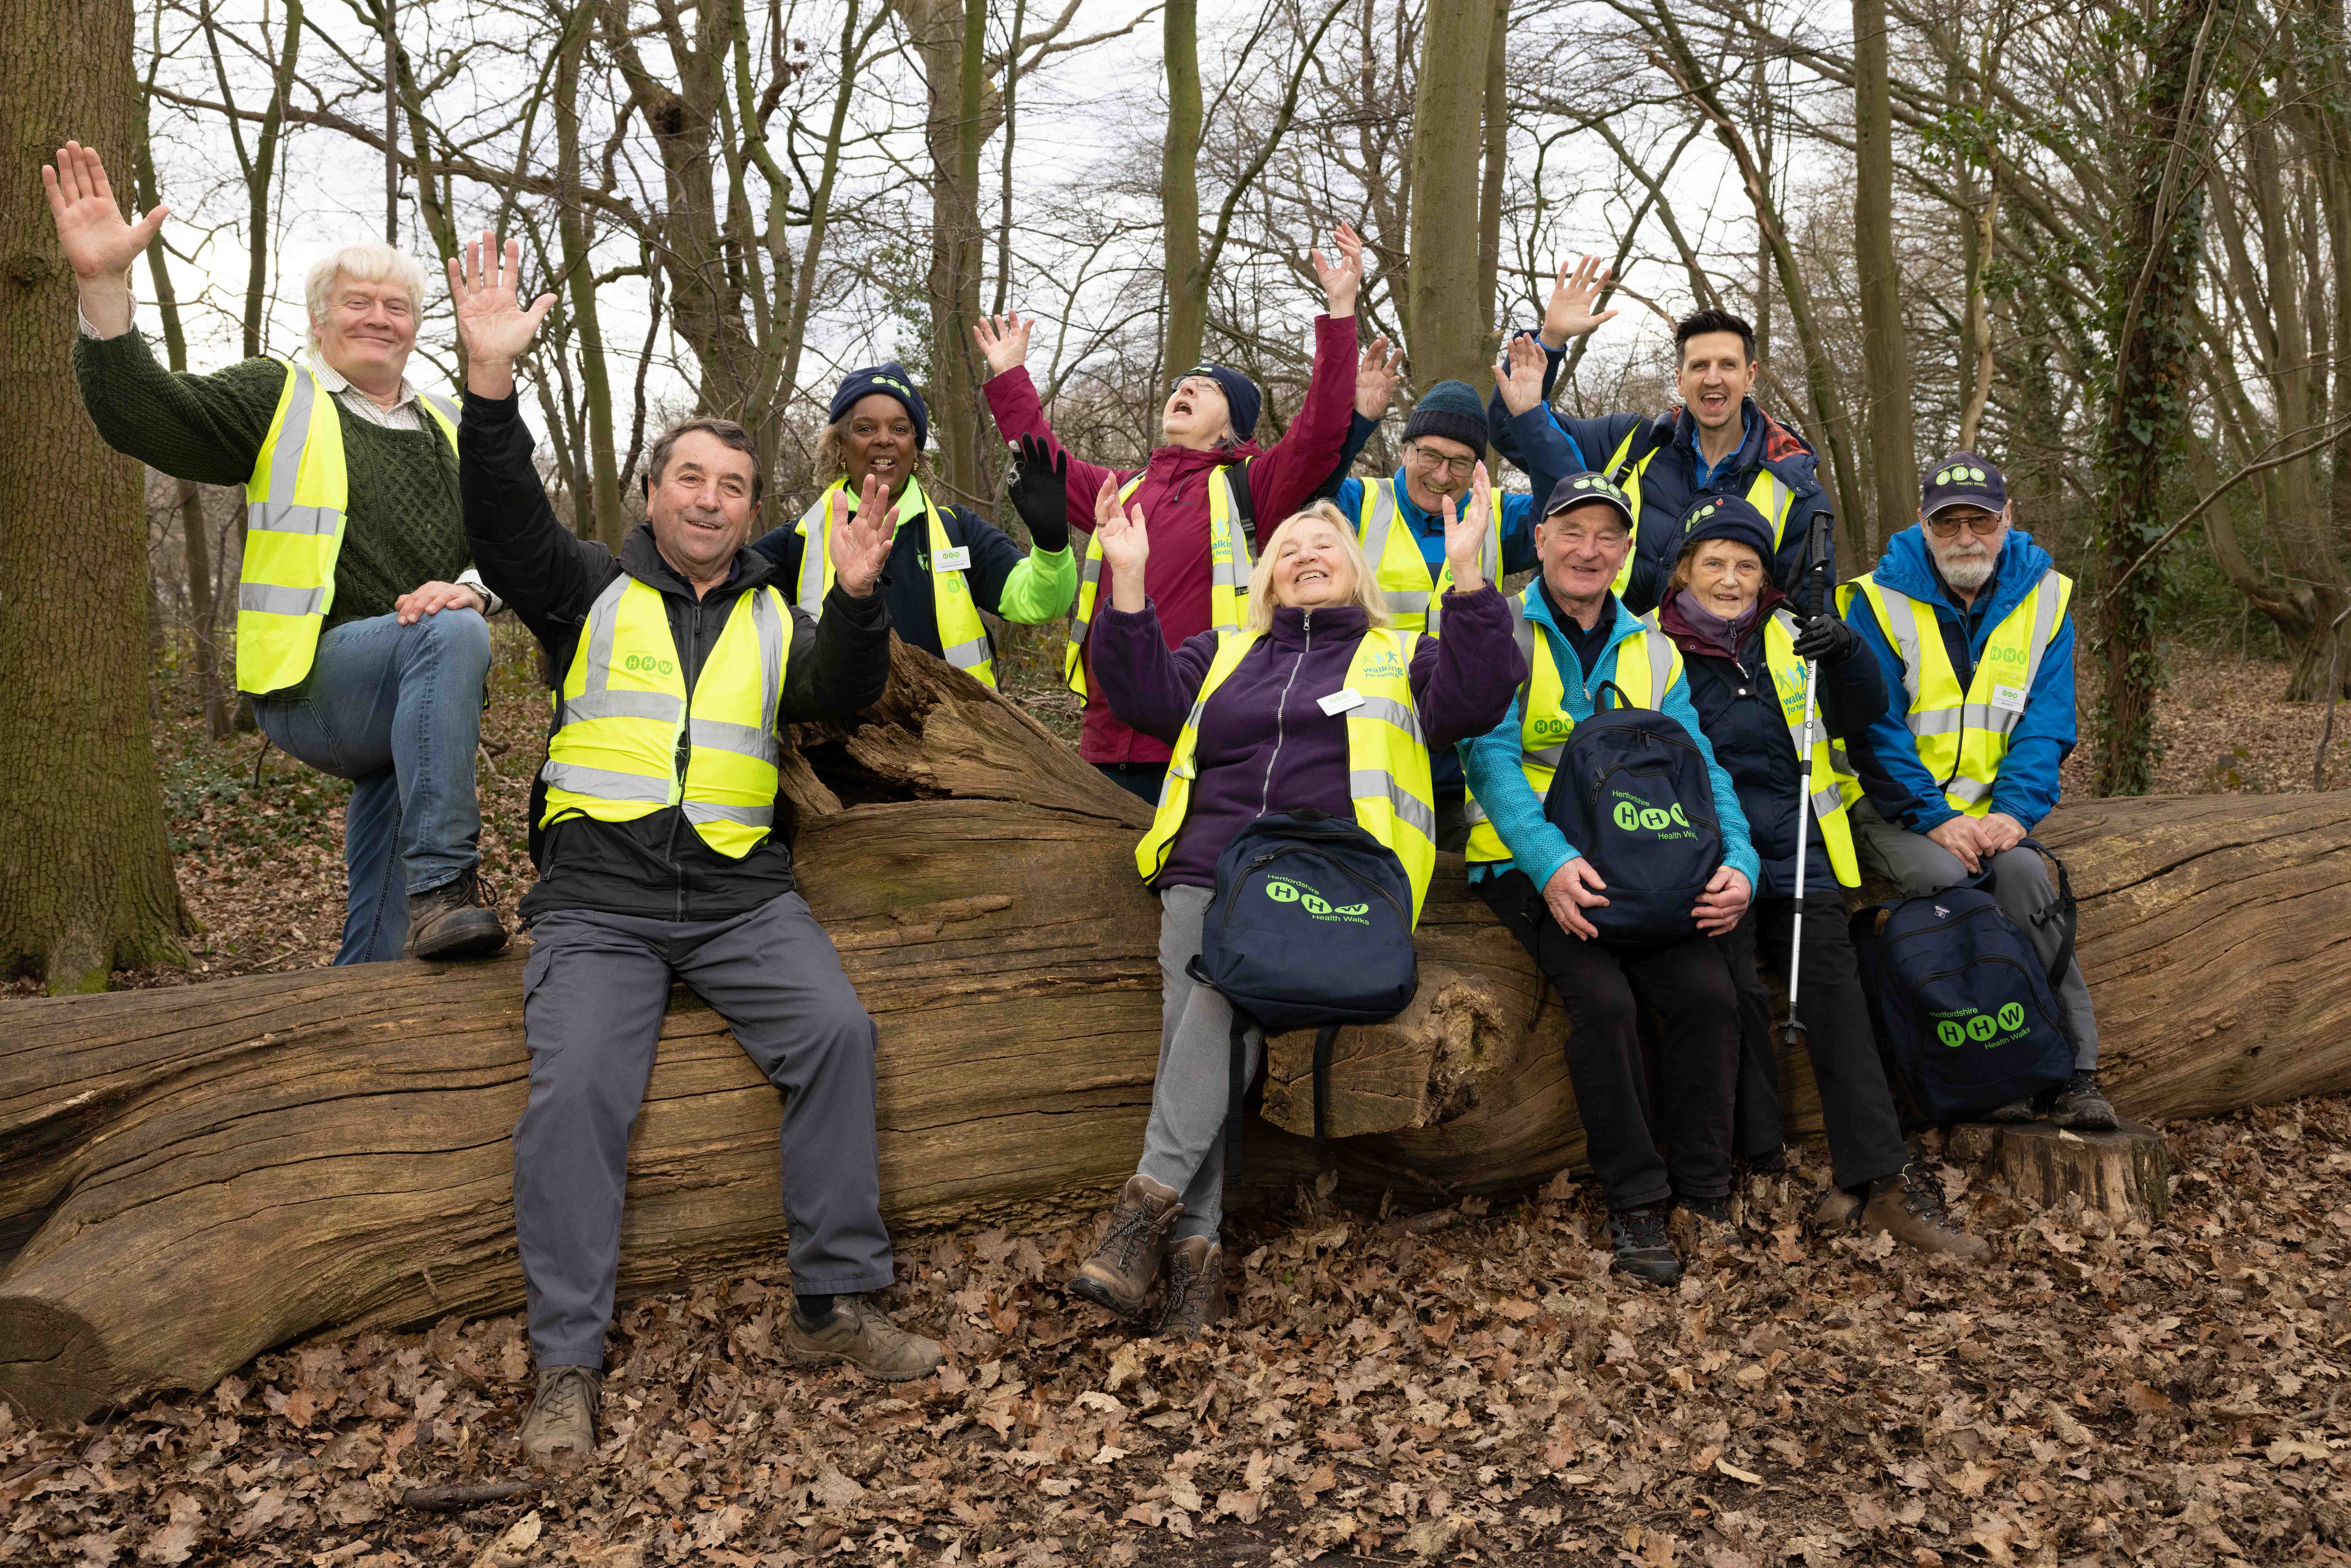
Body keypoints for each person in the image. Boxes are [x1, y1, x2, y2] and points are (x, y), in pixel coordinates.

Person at [445, 236, 941, 1465]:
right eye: (689, 478)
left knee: (836, 1034)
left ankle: (831, 1303)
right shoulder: (582, 589)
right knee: (575, 1100)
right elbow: (505, 525)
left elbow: (842, 685)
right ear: (654, 492)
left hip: (740, 896)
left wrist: (863, 595)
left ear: (749, 505)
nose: (711, 498)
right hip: (599, 901)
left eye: (732, 483)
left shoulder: (780, 607)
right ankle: (565, 1362)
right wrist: (489, 385)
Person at [1067, 477, 1523, 1337]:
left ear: (1354, 572)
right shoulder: (1224, 653)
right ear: (1268, 579)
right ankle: (1186, 1262)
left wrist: (1468, 581)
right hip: (1210, 871)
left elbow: (1479, 694)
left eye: (1324, 549)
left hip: (1330, 886)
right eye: (1289, 552)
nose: (1307, 557)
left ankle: (1145, 1222)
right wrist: (1126, 584)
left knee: (1211, 999)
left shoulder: (1400, 655)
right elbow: (1141, 696)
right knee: (1204, 1017)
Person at [45, 140, 505, 964]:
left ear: (417, 327)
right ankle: (447, 882)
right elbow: (140, 416)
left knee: (429, 707)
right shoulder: (277, 396)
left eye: (396, 307)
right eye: (357, 303)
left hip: (415, 688)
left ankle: (363, 998)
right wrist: (103, 284)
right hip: (308, 687)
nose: (378, 318)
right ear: (320, 321)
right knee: (449, 638)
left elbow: (506, 545)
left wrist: (472, 587)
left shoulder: (449, 425)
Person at [1654, 498, 1987, 1258]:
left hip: (1804, 851)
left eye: (1747, 565)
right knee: (1727, 1000)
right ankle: (1742, 1176)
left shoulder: (1789, 631)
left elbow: (1866, 714)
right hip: (1707, 861)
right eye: (1715, 564)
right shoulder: (1656, 647)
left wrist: (1846, 654)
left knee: (1838, 1004)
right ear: (1684, 571)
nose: (1732, 580)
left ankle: (1881, 1182)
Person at [1459, 471, 1758, 1287]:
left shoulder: (1652, 646)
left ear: (1626, 553)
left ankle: (1705, 1190)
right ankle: (1635, 1200)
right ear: (1542, 540)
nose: (1589, 551)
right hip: (1529, 863)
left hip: (1650, 861)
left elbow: (1700, 766)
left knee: (1708, 994)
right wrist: (1552, 862)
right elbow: (1487, 759)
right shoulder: (1504, 632)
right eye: (1572, 532)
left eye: (1607, 537)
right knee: (1605, 999)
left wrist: (1740, 860)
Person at [970, 225, 1369, 803]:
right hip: (1103, 744)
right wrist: (1010, 375)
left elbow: (1321, 431)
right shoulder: (1122, 489)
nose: (1184, 390)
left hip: (1209, 736)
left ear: (1236, 426)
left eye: (1205, 388)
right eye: (1180, 385)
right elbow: (1042, 465)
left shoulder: (1251, 485)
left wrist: (1339, 311)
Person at [1838, 454, 2116, 1130]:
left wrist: (2014, 813)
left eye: (1981, 519)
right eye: (1948, 522)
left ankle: (2077, 1068)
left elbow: (2046, 723)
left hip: (1989, 807)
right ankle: (1993, 1064)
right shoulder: (1875, 599)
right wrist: (1932, 816)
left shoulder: (2046, 598)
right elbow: (1872, 729)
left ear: (2008, 517)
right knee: (1945, 876)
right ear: (1923, 526)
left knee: (2022, 875)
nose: (1966, 536)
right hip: (1888, 804)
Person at [1491, 284, 1831, 614]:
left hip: (1710, 673)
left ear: (1749, 376)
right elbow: (1515, 428)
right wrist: (1550, 341)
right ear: (1680, 380)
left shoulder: (1794, 489)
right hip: (1590, 659)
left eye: (1727, 365)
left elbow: (1800, 616)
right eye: (1699, 366)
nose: (1712, 378)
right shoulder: (1627, 443)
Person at [750, 366, 1075, 686]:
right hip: (841, 738)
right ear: (840, 448)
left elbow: (1041, 602)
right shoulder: (797, 541)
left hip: (958, 735)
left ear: (916, 450)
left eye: (900, 429)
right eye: (865, 429)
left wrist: (1051, 542)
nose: (884, 440)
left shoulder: (956, 531)